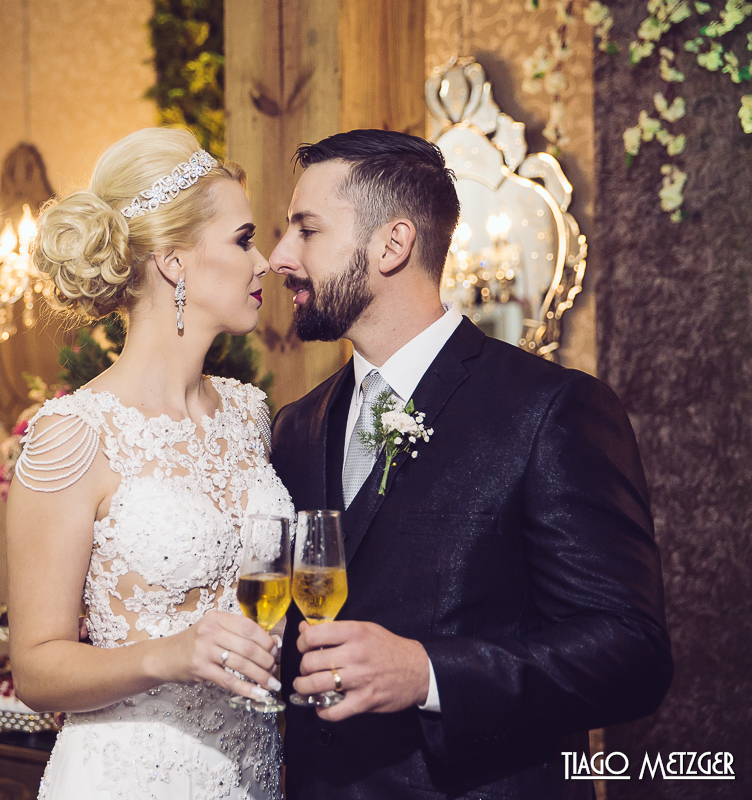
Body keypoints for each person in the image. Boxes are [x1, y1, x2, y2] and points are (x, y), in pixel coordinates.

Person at [267, 129, 673, 799]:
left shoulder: (549, 411)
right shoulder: (296, 428)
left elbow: (631, 653)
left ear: (393, 245)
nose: (281, 256)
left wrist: (427, 673)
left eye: (306, 230)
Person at [6, 127, 294, 800]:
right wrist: (168, 655)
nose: (264, 264)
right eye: (242, 241)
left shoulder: (249, 414)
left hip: (250, 773)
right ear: (172, 261)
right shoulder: (74, 434)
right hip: (128, 778)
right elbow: (36, 670)